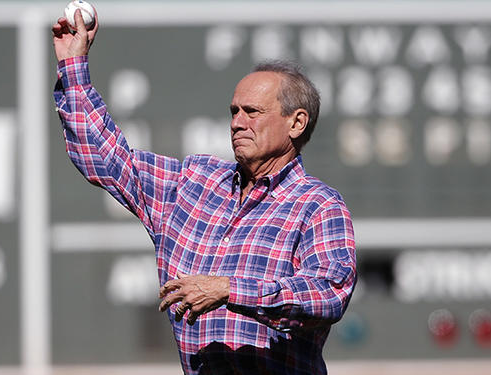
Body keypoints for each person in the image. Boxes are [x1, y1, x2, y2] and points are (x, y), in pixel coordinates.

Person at [52, 9, 356, 375]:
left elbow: (327, 293)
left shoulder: (318, 206)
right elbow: (107, 159)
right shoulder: (194, 185)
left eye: (252, 112)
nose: (237, 122)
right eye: (234, 111)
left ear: (297, 122)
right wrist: (73, 63)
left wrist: (229, 290)